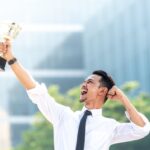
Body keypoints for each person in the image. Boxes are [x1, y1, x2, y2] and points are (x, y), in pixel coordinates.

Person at [0, 39, 150, 150]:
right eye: (84, 82)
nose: (83, 84)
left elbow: (142, 129)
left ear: (102, 91)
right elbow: (36, 91)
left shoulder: (109, 126)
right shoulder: (63, 116)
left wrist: (123, 98)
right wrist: (11, 59)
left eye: (90, 82)